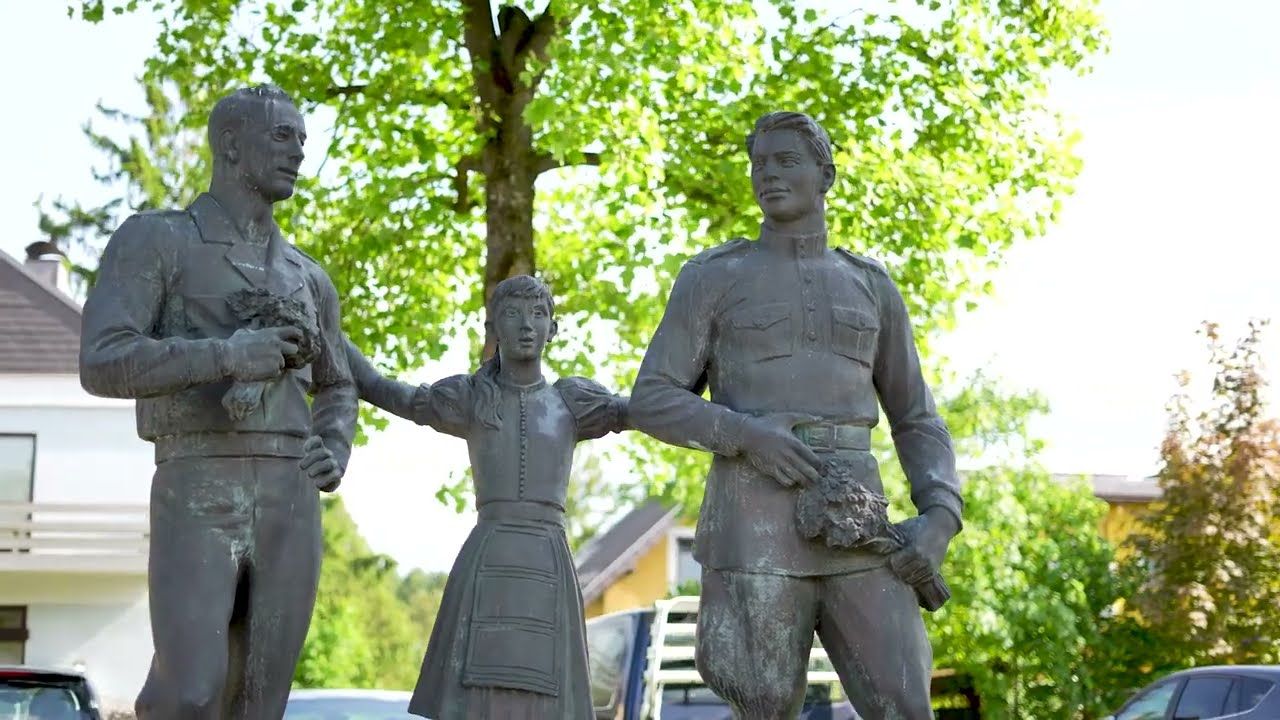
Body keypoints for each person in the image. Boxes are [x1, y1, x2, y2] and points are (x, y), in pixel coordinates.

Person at [629, 111, 964, 720]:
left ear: (825, 175)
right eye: (759, 164)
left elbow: (916, 416)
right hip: (751, 525)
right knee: (763, 706)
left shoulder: (871, 285)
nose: (768, 175)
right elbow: (652, 397)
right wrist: (745, 434)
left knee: (905, 705)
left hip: (860, 526)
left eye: (787, 161)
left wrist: (940, 515)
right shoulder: (712, 277)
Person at [79, 84, 357, 719]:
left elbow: (338, 382)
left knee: (262, 700)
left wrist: (334, 443)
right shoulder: (158, 239)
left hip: (291, 491)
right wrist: (226, 356)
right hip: (198, 476)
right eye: (282, 136)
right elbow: (102, 359)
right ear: (231, 144)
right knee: (192, 691)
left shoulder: (308, 276)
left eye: (302, 139)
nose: (299, 152)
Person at [348, 275, 627, 720]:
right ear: (492, 326)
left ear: (553, 329)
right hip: (487, 560)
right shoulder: (471, 399)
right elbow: (389, 391)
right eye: (513, 314)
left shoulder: (573, 403)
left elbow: (648, 408)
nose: (527, 325)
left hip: (548, 564)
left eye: (538, 314)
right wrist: (330, 331)